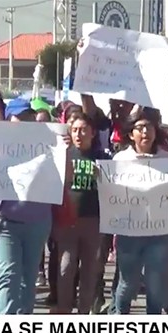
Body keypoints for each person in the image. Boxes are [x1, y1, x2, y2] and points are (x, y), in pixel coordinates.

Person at [0, 99, 53, 314]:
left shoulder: (48, 144)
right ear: (7, 120)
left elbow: (64, 178)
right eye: (18, 118)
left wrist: (65, 152)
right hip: (4, 222)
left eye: (27, 118)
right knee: (8, 275)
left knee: (28, 279)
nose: (23, 122)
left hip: (37, 221)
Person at [111, 112, 168, 314]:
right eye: (139, 128)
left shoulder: (167, 159)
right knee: (128, 283)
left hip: (159, 232)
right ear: (131, 134)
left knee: (156, 282)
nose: (144, 132)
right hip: (129, 231)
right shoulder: (120, 160)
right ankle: (119, 318)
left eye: (149, 128)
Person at [52, 112, 108, 314]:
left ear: (93, 133)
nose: (79, 134)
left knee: (90, 270)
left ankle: (84, 311)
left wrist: (102, 176)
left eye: (83, 130)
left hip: (94, 221)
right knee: (66, 267)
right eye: (74, 130)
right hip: (67, 220)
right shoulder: (63, 154)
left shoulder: (103, 158)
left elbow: (115, 188)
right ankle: (64, 309)